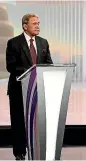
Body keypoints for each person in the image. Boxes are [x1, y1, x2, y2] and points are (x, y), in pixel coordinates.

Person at [6, 13, 53, 160]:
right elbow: (11, 66)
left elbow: (49, 64)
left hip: (39, 90)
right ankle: (20, 153)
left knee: (40, 122)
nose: (38, 26)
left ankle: (41, 150)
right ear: (25, 26)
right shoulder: (13, 43)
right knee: (19, 122)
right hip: (19, 89)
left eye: (38, 23)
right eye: (34, 23)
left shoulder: (43, 42)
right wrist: (31, 72)